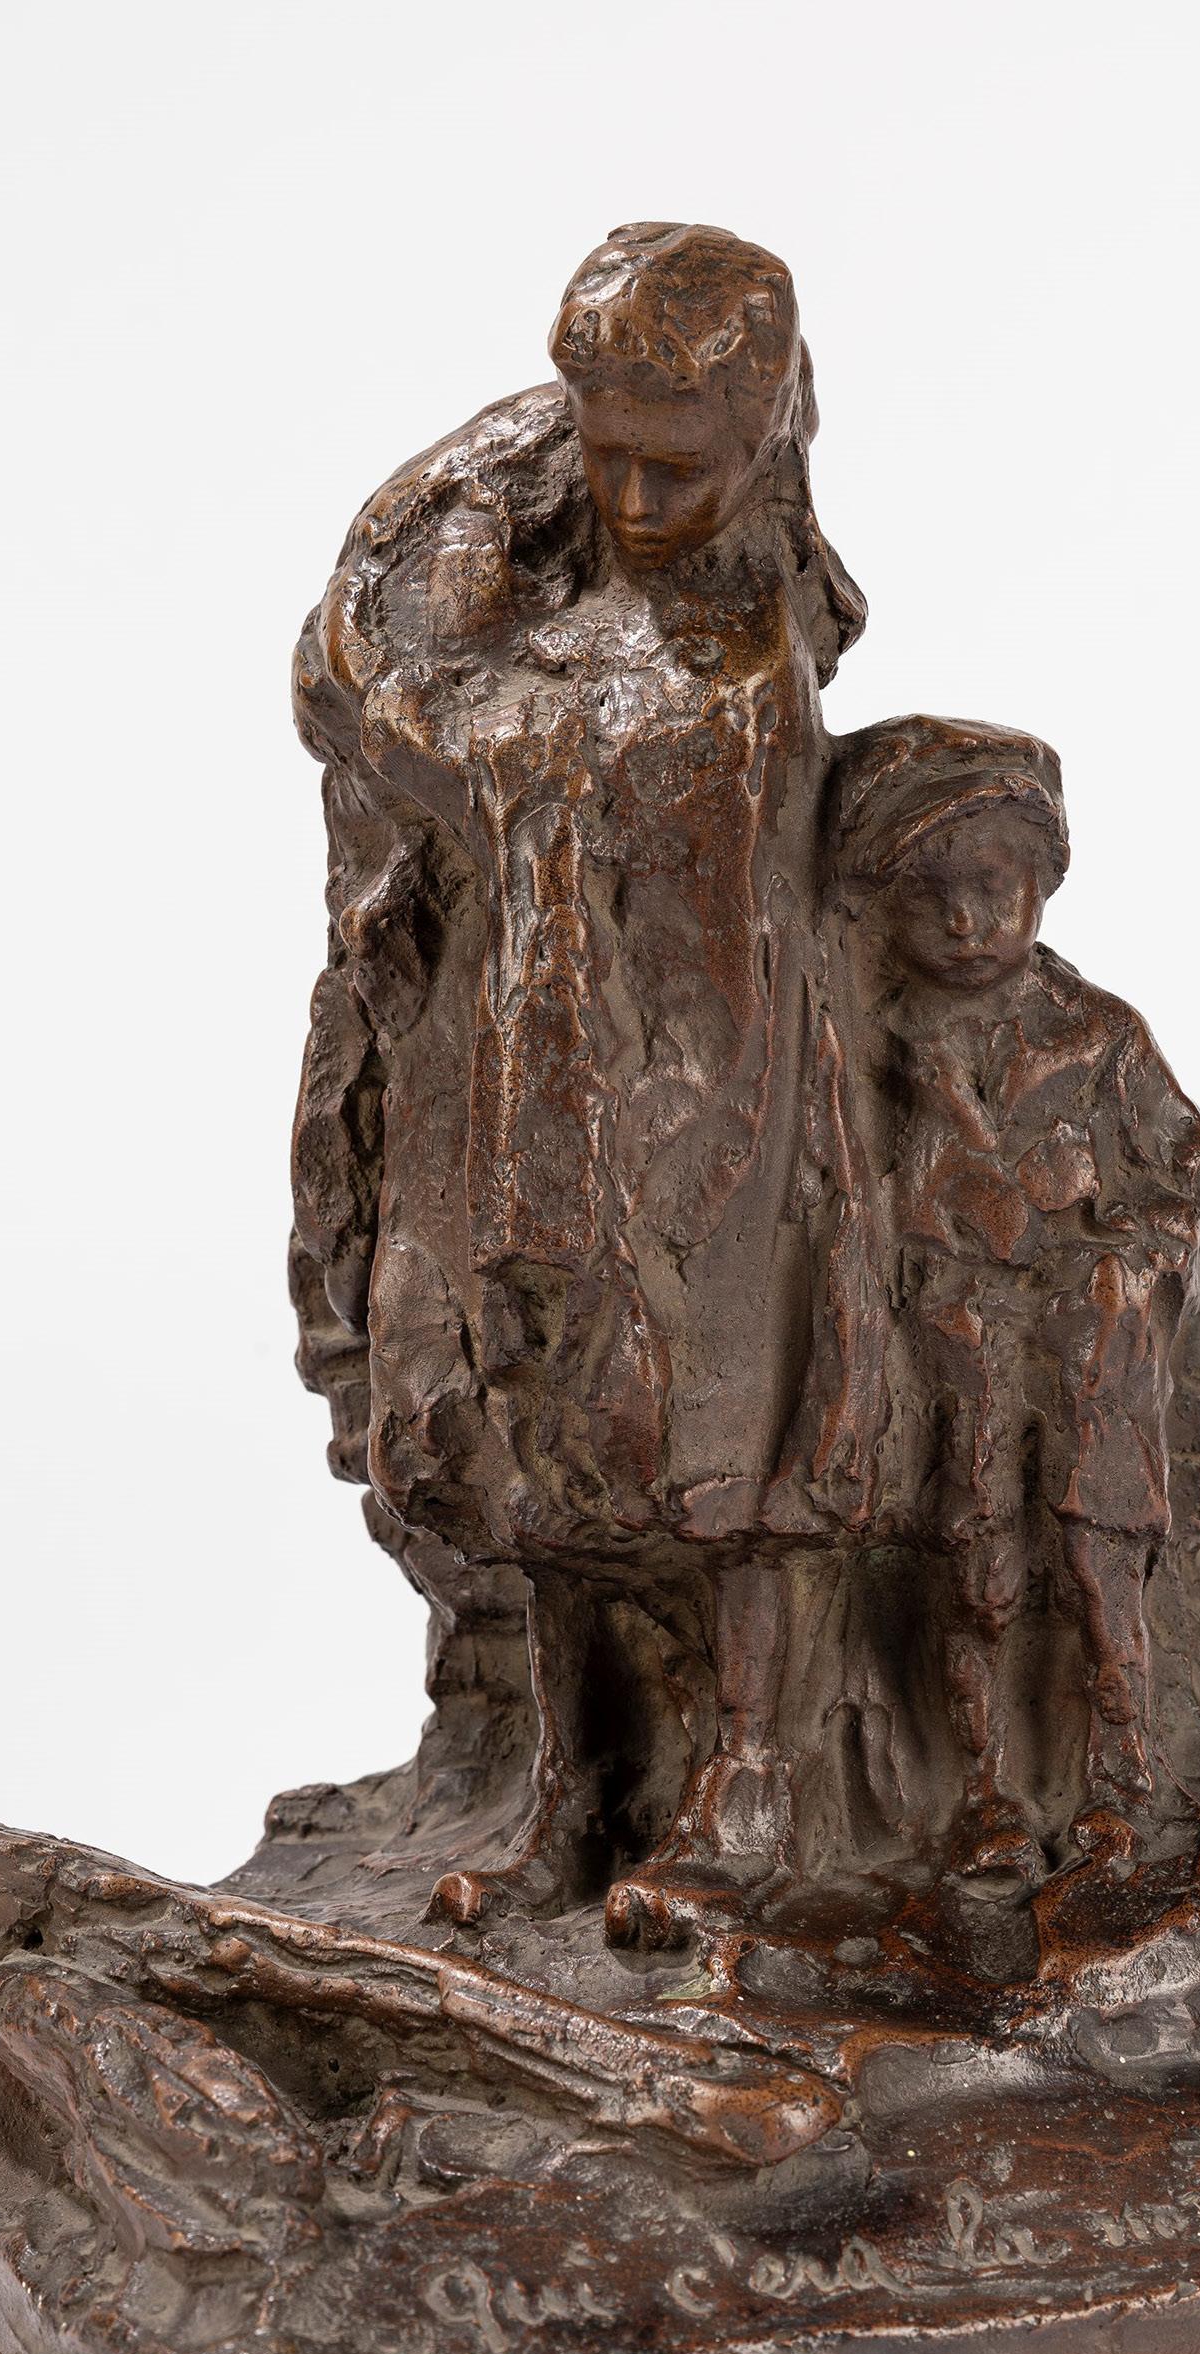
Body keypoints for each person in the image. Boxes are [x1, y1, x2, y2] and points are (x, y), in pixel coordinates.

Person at [289, 225, 883, 1934]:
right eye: (604, 453)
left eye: (676, 467)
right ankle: (566, 1782)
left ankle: (751, 1781)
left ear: (766, 434)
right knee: (533, 1439)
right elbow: (354, 679)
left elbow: (413, 708)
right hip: (515, 1064)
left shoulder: (730, 658)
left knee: (724, 1446)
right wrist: (514, 464)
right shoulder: (554, 585)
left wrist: (435, 611)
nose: (632, 497)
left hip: (706, 1090)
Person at [828, 717, 1200, 1876]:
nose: (966, 922)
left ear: (1041, 886)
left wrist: (1114, 1255)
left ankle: (1123, 1774)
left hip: (1088, 1355)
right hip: (952, 1357)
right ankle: (983, 1794)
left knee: (1100, 1571)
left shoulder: (1098, 1041)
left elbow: (1189, 1184)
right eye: (933, 897)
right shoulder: (868, 1044)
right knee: (975, 1569)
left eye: (993, 890)